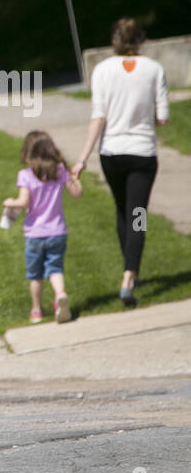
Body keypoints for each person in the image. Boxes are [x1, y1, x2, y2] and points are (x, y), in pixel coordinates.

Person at [73, 17, 170, 305]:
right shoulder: (154, 69)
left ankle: (129, 268)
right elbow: (162, 118)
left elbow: (98, 117)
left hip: (111, 154)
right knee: (138, 214)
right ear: (140, 39)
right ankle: (130, 275)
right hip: (141, 153)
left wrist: (81, 158)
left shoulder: (102, 70)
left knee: (122, 210)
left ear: (114, 40)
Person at [3, 130, 82, 324]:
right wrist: (72, 175)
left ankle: (36, 310)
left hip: (34, 234)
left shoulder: (25, 175)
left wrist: (9, 202)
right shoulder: (60, 171)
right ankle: (60, 293)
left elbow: (23, 202)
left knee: (35, 274)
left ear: (27, 152)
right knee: (55, 268)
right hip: (57, 231)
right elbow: (77, 193)